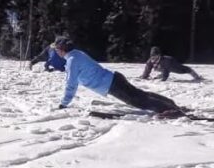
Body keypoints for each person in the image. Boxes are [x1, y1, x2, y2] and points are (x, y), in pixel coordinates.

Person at [54, 37, 182, 115]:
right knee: (141, 95)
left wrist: (64, 104)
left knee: (139, 100)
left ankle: (169, 109)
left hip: (111, 84)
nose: (55, 51)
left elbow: (71, 84)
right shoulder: (76, 54)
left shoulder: (72, 60)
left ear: (61, 49)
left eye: (56, 49)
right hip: (113, 79)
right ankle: (170, 104)